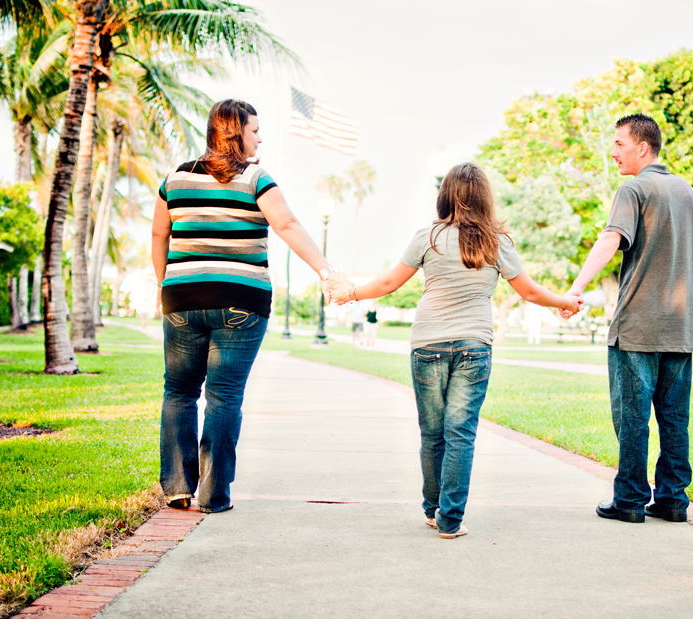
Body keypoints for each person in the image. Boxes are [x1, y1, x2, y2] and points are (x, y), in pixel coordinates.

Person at [331, 163, 582, 538]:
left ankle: (433, 510)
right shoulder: (497, 242)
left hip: (428, 344)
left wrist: (348, 293)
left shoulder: (428, 236)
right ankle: (450, 520)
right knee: (460, 433)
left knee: (432, 433)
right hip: (474, 346)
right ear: (484, 198)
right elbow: (529, 292)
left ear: (444, 195)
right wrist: (566, 301)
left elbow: (387, 283)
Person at [152, 100, 343, 513]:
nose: (260, 138)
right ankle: (214, 495)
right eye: (255, 130)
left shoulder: (176, 178)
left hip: (181, 298)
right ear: (235, 132)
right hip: (241, 301)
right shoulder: (257, 179)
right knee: (224, 396)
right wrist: (327, 272)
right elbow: (287, 225)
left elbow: (158, 235)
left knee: (179, 391)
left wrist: (162, 282)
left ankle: (178, 488)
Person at [561, 114, 693, 524]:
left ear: (642, 147)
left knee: (632, 416)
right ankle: (674, 501)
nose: (613, 152)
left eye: (619, 144)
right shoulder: (688, 192)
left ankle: (629, 500)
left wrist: (575, 289)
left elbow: (611, 238)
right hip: (682, 327)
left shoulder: (634, 188)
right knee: (675, 418)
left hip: (638, 325)